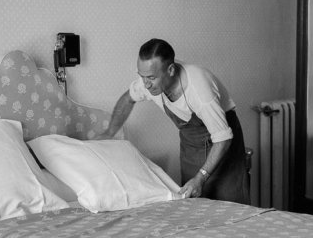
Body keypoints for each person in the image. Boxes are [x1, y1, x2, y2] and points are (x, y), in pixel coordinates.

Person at [99, 38, 250, 204]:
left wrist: (201, 177)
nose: (146, 84)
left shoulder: (199, 88)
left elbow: (223, 138)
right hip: (192, 145)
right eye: (142, 77)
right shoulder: (148, 82)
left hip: (223, 144)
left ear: (170, 70)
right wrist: (109, 132)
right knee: (194, 202)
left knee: (230, 205)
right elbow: (128, 98)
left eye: (151, 78)